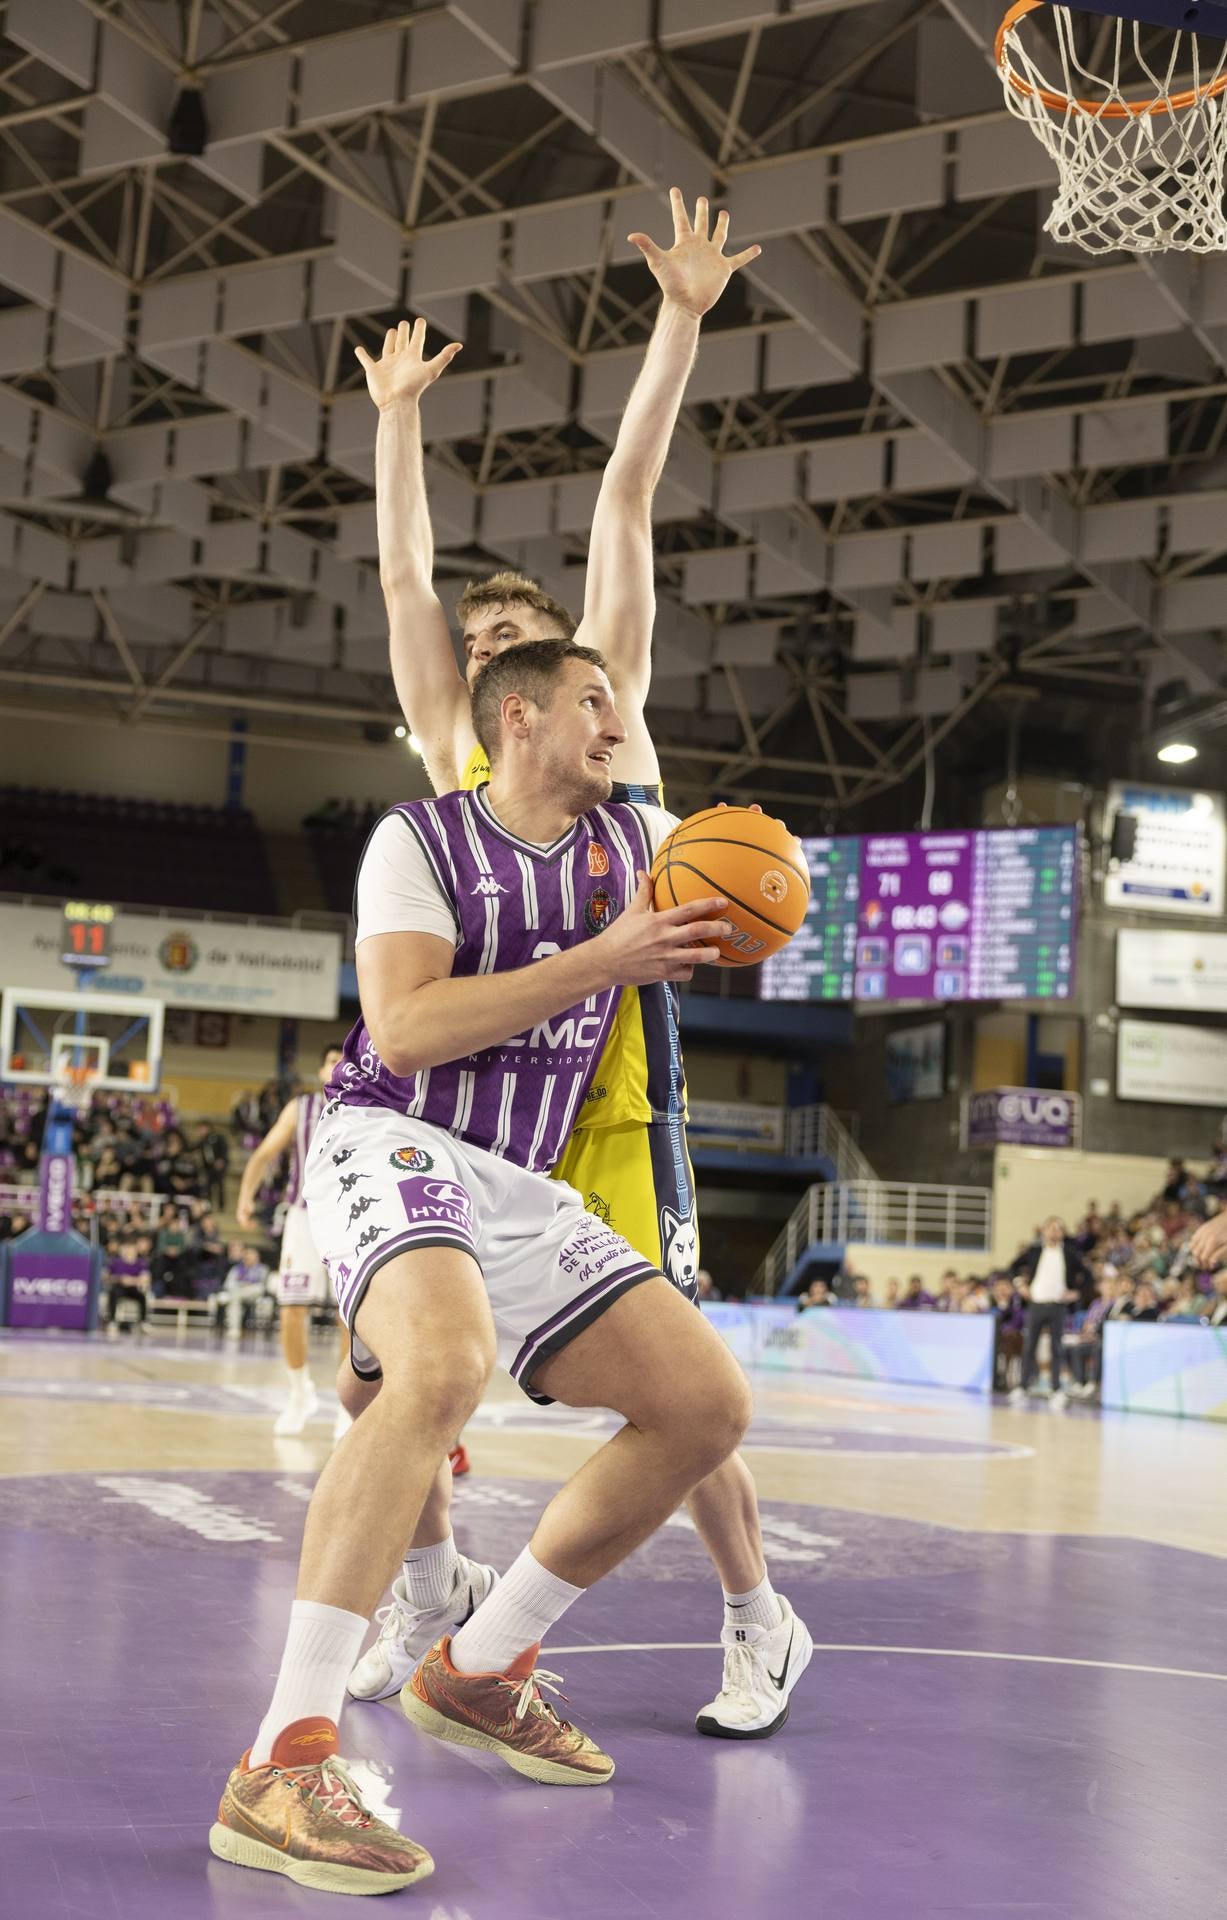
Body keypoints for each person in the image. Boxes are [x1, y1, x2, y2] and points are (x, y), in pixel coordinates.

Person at [208, 642, 812, 1895]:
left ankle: (480, 1664)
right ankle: (283, 1757)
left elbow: (635, 563)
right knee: (439, 1371)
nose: (618, 719)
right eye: (595, 701)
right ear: (520, 719)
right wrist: (606, 960)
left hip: (523, 1181)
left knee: (705, 1405)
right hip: (391, 1130)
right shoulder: (416, 842)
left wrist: (767, 887)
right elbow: (409, 1027)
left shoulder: (638, 841)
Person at [343, 190, 802, 1744]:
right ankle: (422, 1603)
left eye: (509, 639)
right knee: (380, 1378)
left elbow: (623, 507)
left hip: (608, 1087)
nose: (480, 650)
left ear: (561, 680)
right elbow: (404, 580)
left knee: (662, 1386)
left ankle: (756, 1616)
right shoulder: (445, 767)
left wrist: (675, 322)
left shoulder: (605, 723)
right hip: (470, 1093)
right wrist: (396, 421)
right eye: (471, 643)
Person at [237, 1045, 347, 1438]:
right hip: (303, 1215)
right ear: (321, 1069)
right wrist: (245, 1197)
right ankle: (300, 1393)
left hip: (351, 1216)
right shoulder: (300, 1108)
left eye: (344, 1060)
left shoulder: (370, 1105)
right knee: (291, 1307)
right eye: (332, 1060)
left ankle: (348, 1406)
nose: (338, 1066)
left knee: (349, 1316)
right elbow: (264, 1153)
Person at [1008, 1216, 1092, 1411]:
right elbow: (1013, 1267)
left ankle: (1056, 1389)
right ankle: (1023, 1386)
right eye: (1050, 1228)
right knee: (1029, 1346)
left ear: (1062, 1232)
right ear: (1044, 1231)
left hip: (1058, 1305)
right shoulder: (1035, 1250)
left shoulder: (1070, 1253)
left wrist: (1076, 1292)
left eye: (1058, 1228)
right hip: (1036, 1303)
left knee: (1057, 1348)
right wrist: (1020, 1284)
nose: (1054, 1231)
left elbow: (1087, 1275)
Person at [211, 1243, 269, 1338]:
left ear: (257, 1257)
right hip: (238, 1292)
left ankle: (234, 1329)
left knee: (253, 1289)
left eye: (252, 1255)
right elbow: (228, 1284)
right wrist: (241, 1285)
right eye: (248, 1255)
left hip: (255, 1293)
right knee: (235, 1298)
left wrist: (249, 1284)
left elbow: (263, 1284)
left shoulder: (262, 1269)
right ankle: (234, 1330)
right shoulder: (237, 1269)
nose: (250, 1257)